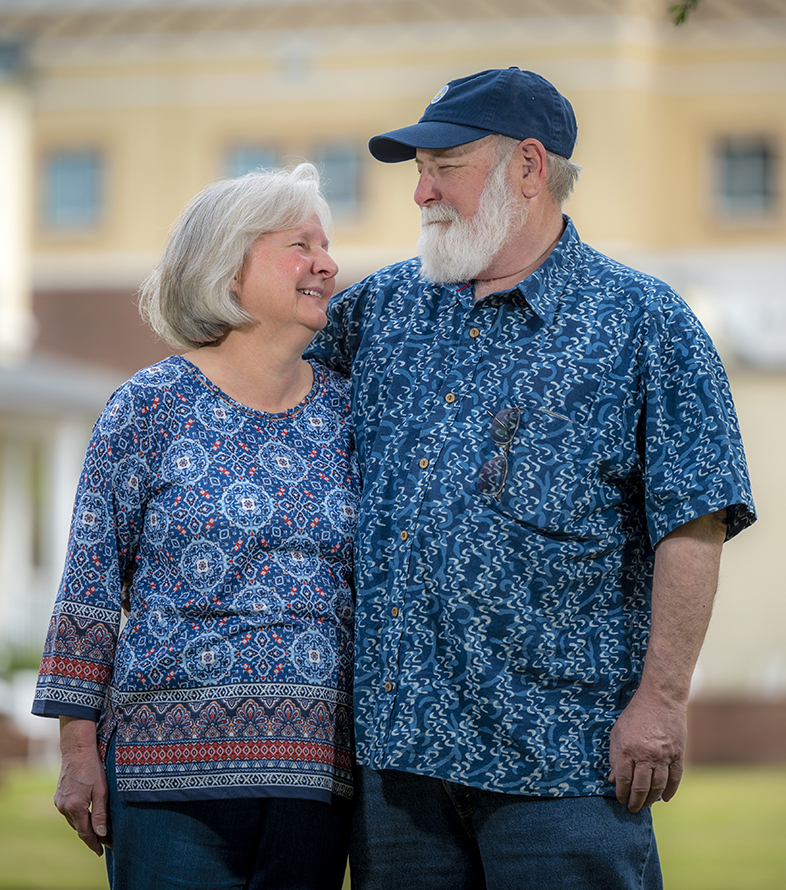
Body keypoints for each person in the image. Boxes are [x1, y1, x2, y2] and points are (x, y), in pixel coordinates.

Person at [305, 68, 756, 889]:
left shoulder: (646, 322)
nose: (421, 193)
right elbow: (264, 390)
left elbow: (695, 522)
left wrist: (662, 704)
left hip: (567, 760)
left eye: (444, 167)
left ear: (528, 167)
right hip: (397, 760)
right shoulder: (380, 309)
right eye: (418, 171)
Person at [32, 163, 359, 890]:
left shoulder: (351, 414)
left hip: (317, 778)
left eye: (327, 246)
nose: (327, 264)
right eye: (300, 245)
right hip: (165, 780)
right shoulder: (148, 407)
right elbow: (89, 583)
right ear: (228, 267)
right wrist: (78, 752)